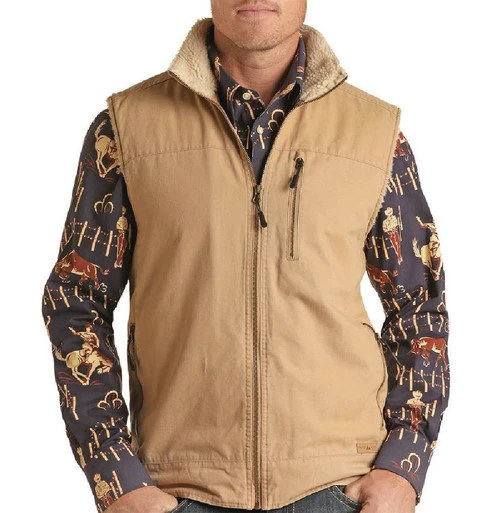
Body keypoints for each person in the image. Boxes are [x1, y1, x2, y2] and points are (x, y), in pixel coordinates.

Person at [41, 2, 450, 513]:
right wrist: (115, 477)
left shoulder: (374, 134)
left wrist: (403, 467)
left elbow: (419, 306)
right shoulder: (127, 128)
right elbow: (77, 301)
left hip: (340, 488)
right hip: (177, 489)